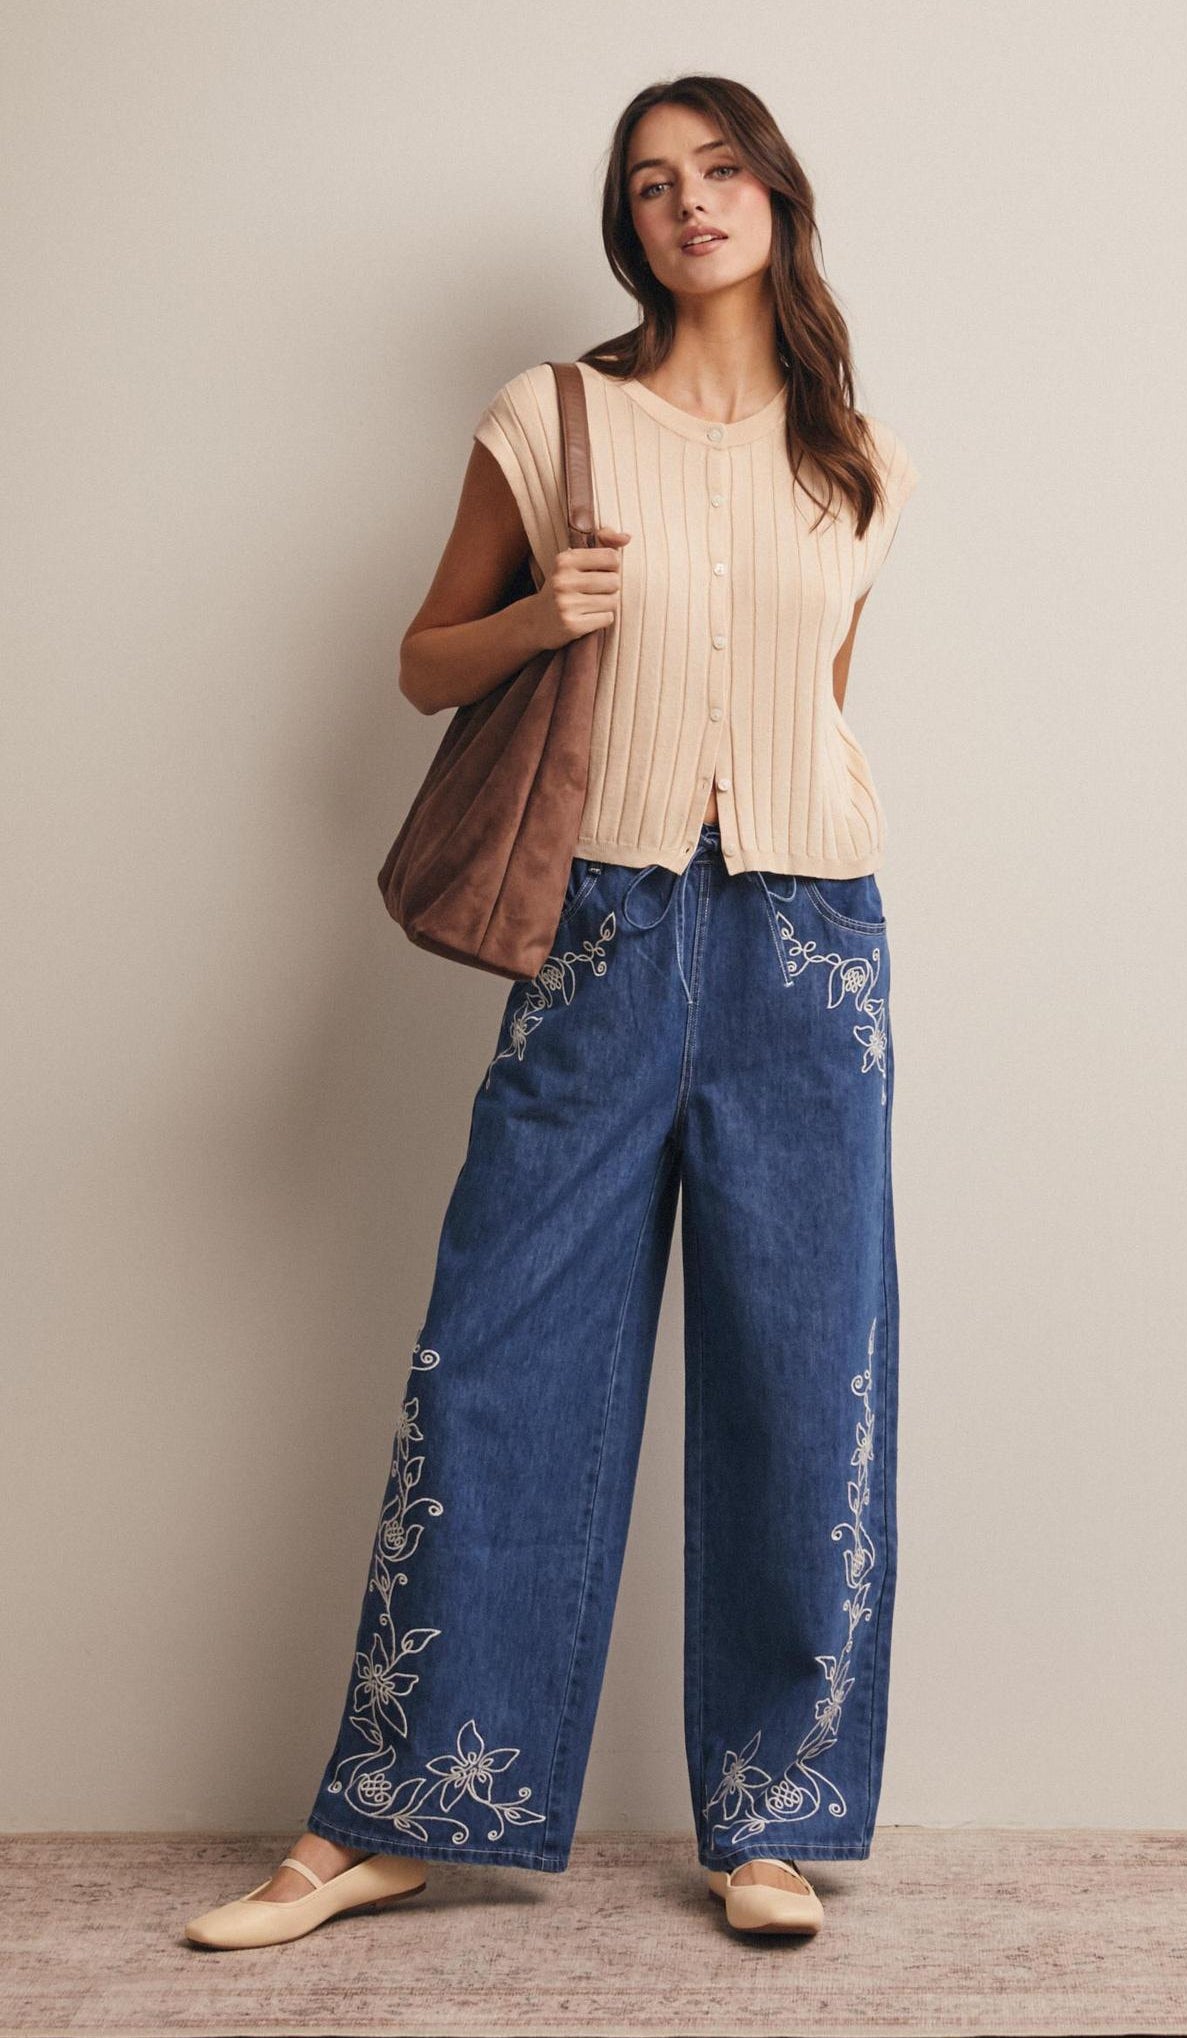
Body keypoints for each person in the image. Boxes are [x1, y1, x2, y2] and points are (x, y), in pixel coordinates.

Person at [186, 72, 917, 1951]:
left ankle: (773, 1816)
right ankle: (400, 1812)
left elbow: (812, 702)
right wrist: (544, 615)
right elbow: (426, 657)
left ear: (775, 191)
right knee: (497, 1352)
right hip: (600, 931)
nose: (693, 203)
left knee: (805, 1371)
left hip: (810, 944)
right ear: (633, 226)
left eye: (722, 168)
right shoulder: (553, 418)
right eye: (656, 184)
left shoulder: (864, 459)